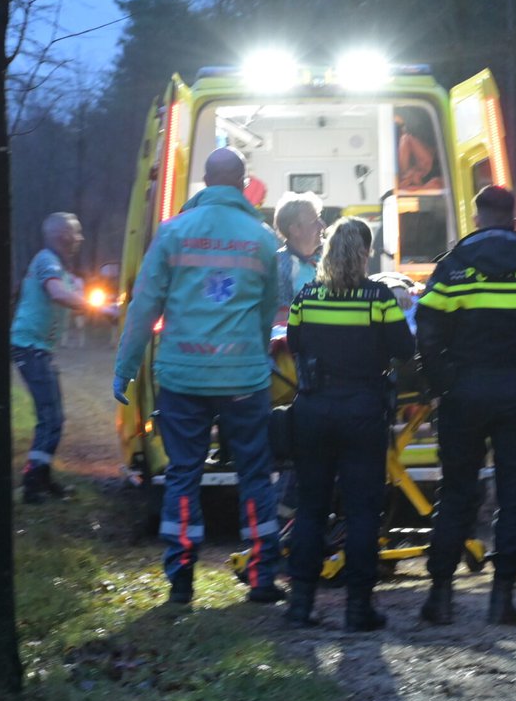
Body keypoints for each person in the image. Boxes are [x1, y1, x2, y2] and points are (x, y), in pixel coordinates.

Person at [112, 147, 284, 607]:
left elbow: (144, 306)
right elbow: (268, 315)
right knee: (254, 474)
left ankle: (181, 580)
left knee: (184, 474)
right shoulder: (263, 239)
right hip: (245, 380)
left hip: (184, 379)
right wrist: (251, 352)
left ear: (205, 181)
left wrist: (125, 369)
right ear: (243, 181)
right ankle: (263, 575)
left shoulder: (173, 234)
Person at [415, 185, 516, 626]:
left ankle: (440, 597)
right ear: (515, 220)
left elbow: (425, 333)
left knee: (457, 493)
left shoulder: (454, 266)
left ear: (476, 218)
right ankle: (502, 599)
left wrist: (442, 385)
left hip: (463, 394)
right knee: (513, 496)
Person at [284, 218, 416, 631]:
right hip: (362, 411)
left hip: (313, 410)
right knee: (362, 513)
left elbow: (294, 343)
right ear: (363, 254)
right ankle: (358, 609)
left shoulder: (307, 295)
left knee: (310, 509)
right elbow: (404, 349)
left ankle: (300, 605)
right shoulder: (377, 297)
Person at [11, 212, 117, 504]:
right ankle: (33, 485)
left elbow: (76, 294)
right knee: (51, 417)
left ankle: (41, 479)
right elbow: (58, 294)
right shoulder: (46, 260)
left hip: (37, 349)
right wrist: (102, 311)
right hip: (29, 346)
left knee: (53, 417)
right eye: (77, 232)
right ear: (62, 236)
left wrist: (112, 306)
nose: (81, 238)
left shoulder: (59, 266)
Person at [273, 191, 324, 322]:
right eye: (314, 221)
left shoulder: (331, 257)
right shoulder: (280, 265)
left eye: (319, 219)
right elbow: (282, 321)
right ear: (295, 229)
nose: (322, 226)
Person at [396, 111, 443, 190]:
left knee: (436, 183)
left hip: (431, 177)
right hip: (422, 171)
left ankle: (406, 180)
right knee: (406, 138)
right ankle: (405, 177)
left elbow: (437, 183)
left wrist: (417, 178)